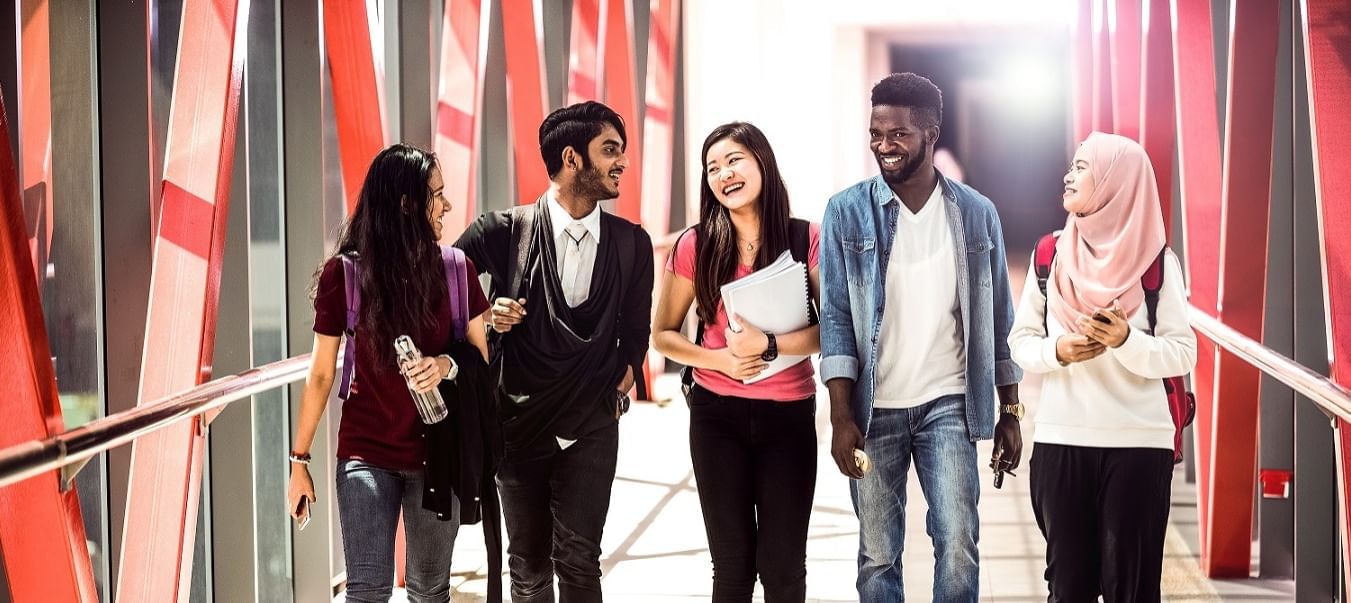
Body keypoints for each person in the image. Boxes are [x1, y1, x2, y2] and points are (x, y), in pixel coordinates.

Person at [818, 72, 1024, 602]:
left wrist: (1011, 412)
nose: (883, 146)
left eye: (899, 134)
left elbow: (999, 319)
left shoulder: (977, 215)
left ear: (931, 132)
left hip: (947, 403)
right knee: (878, 554)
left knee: (958, 542)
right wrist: (841, 417)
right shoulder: (846, 212)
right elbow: (838, 317)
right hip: (873, 407)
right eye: (875, 133)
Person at [455, 100, 654, 603]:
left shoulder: (632, 245)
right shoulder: (501, 231)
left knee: (581, 561)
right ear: (572, 158)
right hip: (517, 424)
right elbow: (440, 293)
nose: (622, 163)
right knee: (527, 568)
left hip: (592, 425)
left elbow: (636, 334)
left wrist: (619, 388)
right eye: (610, 150)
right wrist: (485, 316)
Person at [287, 144, 492, 602]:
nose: (447, 206)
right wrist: (298, 463)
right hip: (366, 453)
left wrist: (444, 365)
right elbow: (321, 375)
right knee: (366, 591)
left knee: (429, 590)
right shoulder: (345, 276)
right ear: (406, 205)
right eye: (436, 195)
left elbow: (481, 357)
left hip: (439, 455)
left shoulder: (457, 271)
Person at [1008, 132, 1196, 602]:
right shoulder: (1050, 256)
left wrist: (1126, 341)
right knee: (1067, 588)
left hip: (1138, 445)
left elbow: (1182, 352)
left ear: (1118, 181)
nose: (1068, 175)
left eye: (1082, 167)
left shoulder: (1157, 264)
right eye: (1071, 165)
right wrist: (1060, 351)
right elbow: (1020, 343)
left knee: (1130, 590)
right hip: (1062, 440)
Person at [652, 122, 820, 602]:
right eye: (712, 167)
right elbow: (661, 335)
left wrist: (769, 344)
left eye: (734, 160)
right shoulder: (695, 244)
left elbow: (831, 330)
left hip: (789, 416)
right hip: (716, 417)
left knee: (784, 568)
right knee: (732, 567)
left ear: (762, 162)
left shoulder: (805, 236)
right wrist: (719, 360)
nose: (723, 174)